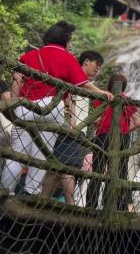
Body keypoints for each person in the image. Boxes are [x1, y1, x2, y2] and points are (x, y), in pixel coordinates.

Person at [1, 21, 113, 196]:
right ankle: (30, 193)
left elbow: (17, 80)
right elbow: (83, 84)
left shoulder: (29, 56)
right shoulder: (67, 58)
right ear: (65, 40)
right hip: (51, 109)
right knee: (41, 156)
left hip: (25, 108)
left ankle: (4, 191)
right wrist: (102, 92)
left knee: (17, 154)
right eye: (70, 39)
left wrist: (14, 104)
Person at [40, 50, 104, 205]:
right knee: (64, 168)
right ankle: (68, 205)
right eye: (97, 65)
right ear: (86, 61)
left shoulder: (88, 86)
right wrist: (73, 123)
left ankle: (43, 201)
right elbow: (69, 101)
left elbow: (99, 113)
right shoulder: (75, 80)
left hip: (74, 130)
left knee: (59, 167)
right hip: (70, 128)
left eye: (100, 67)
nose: (98, 70)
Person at [86, 73, 140, 210]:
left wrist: (98, 123)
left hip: (103, 136)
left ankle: (91, 206)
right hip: (122, 139)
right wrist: (124, 131)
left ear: (110, 84)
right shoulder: (128, 101)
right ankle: (115, 205)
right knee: (120, 172)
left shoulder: (104, 98)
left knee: (97, 172)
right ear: (124, 87)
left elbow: (95, 118)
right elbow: (139, 123)